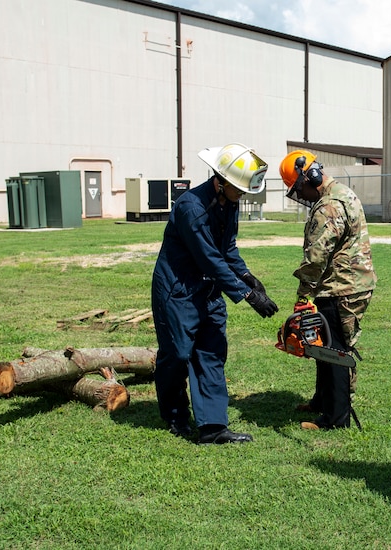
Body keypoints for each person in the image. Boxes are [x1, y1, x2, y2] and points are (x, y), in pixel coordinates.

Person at [151, 142, 279, 444]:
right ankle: (174, 415)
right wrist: (246, 295)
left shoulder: (229, 202)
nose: (243, 195)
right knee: (178, 353)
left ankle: (212, 427)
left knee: (211, 352)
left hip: (208, 290)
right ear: (220, 182)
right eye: (239, 189)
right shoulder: (190, 207)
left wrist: (247, 277)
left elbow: (227, 248)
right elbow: (208, 257)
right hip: (177, 291)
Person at [278, 150, 376, 430]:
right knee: (322, 345)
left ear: (311, 176)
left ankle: (336, 419)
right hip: (342, 285)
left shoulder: (328, 206)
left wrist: (303, 293)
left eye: (300, 188)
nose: (302, 195)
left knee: (335, 351)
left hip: (341, 288)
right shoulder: (341, 193)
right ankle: (322, 401)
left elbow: (317, 255)